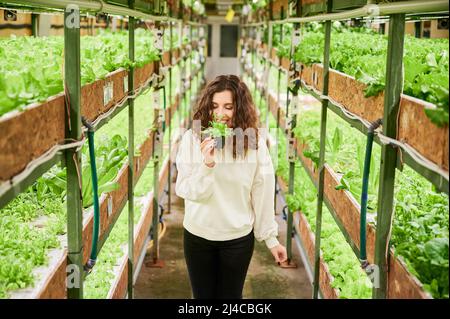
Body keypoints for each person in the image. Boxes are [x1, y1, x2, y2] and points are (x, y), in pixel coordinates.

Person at [175, 74, 287, 299]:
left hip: (237, 240)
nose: (220, 113)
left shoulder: (253, 145)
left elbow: (262, 190)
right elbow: (185, 190)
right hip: (198, 236)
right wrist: (207, 164)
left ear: (240, 108)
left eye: (229, 106)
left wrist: (270, 238)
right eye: (214, 106)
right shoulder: (193, 139)